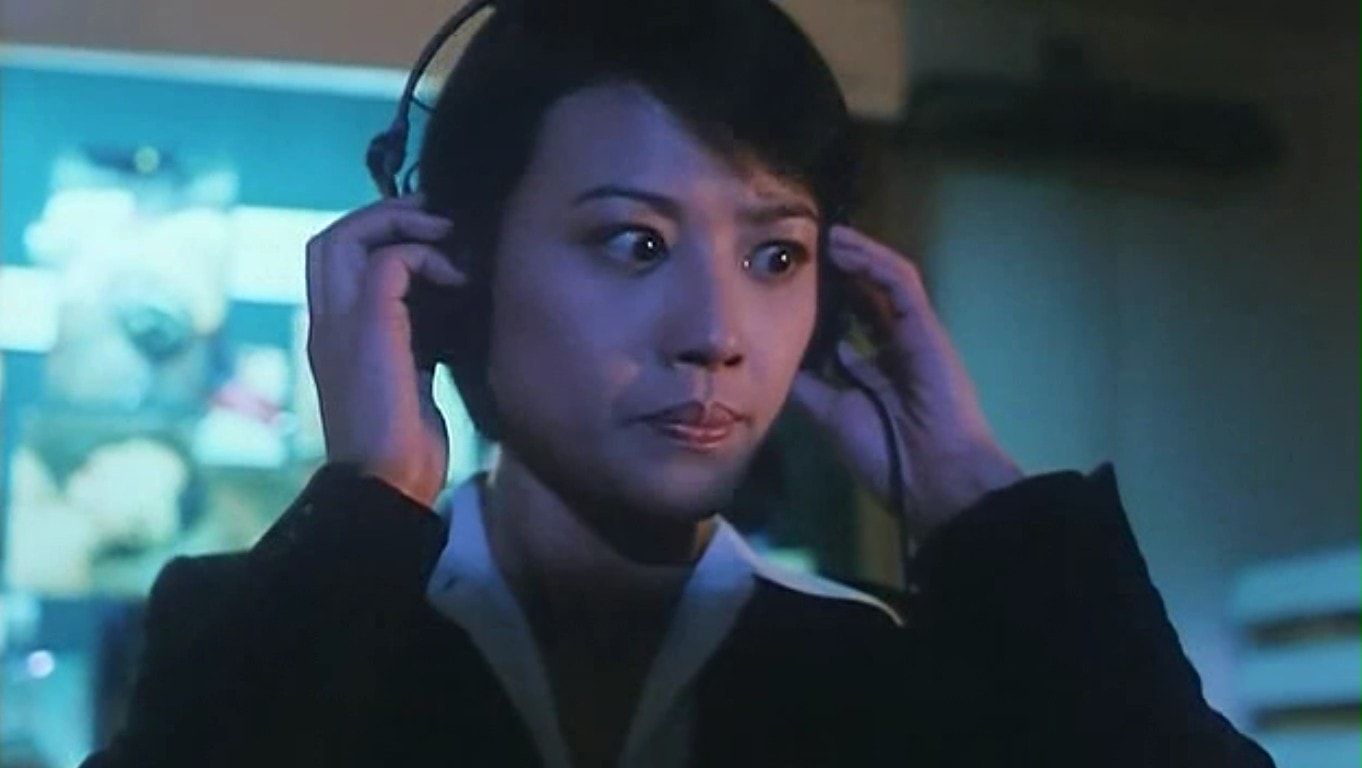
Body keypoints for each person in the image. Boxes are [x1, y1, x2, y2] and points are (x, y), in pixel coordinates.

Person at [83, 0, 1275, 766]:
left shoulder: (894, 672)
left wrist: (977, 495)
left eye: (776, 257)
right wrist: (374, 488)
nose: (717, 332)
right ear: (455, 267)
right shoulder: (266, 635)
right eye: (635, 242)